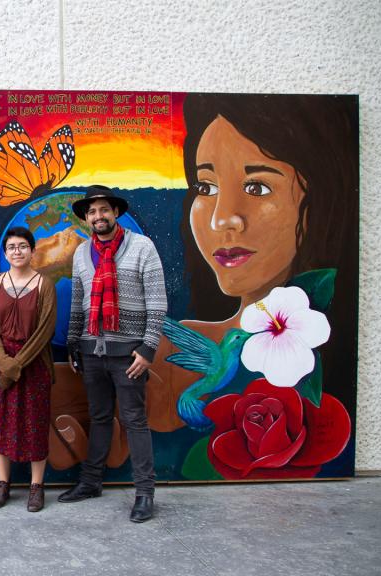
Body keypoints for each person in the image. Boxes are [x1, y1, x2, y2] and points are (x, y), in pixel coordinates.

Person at [146, 94, 359, 432]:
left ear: (319, 200)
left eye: (257, 187)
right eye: (205, 186)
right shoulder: (167, 347)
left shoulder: (319, 344)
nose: (221, 220)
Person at [59, 186, 167, 523]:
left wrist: (148, 349)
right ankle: (91, 482)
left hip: (129, 354)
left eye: (104, 210)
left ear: (115, 213)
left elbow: (158, 302)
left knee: (134, 420)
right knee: (99, 417)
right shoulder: (81, 253)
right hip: (92, 351)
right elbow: (78, 302)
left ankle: (145, 493)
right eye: (92, 212)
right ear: (86, 218)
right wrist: (74, 342)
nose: (98, 216)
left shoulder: (141, 247)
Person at [0, 227, 57, 512]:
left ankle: (37, 487)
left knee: (35, 425)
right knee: (0, 424)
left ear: (32, 251)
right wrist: (4, 363)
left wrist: (17, 364)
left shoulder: (44, 284)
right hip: (1, 365)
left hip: (34, 365)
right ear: (5, 253)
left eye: (23, 246)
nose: (17, 251)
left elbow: (45, 330)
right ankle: (3, 484)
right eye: (11, 247)